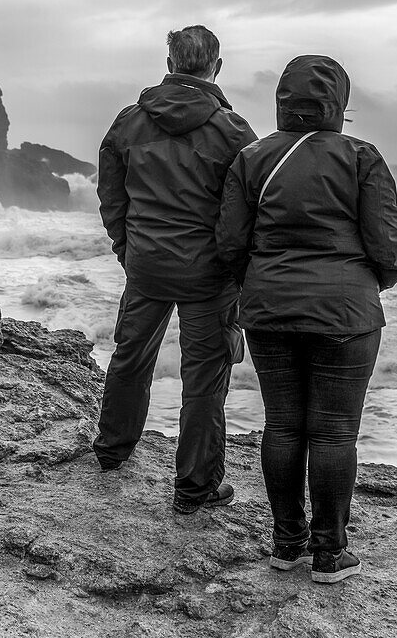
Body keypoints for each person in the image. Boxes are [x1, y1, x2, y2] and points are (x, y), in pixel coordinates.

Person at [216, 54, 397, 583]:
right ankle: (329, 554)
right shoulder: (360, 156)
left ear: (283, 100)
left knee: (282, 426)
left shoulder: (252, 158)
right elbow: (389, 245)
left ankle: (285, 544)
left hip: (269, 310)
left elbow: (230, 243)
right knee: (334, 434)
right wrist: (366, 285)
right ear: (338, 102)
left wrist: (258, 286)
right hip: (347, 312)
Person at [94, 25, 257, 513]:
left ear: (168, 60)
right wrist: (236, 267)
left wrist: (128, 247)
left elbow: (110, 193)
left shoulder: (130, 121)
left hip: (146, 263)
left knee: (131, 354)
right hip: (207, 274)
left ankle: (112, 450)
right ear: (217, 67)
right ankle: (195, 487)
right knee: (204, 376)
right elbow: (246, 212)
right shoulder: (233, 131)